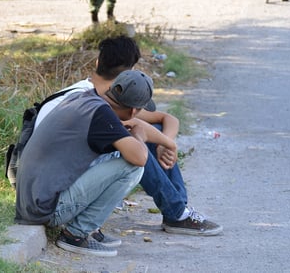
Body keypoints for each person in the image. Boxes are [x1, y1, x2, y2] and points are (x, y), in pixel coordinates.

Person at [35, 36, 223, 241]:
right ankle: (177, 212)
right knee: (134, 148)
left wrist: (164, 142)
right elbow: (137, 151)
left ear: (97, 63)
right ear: (129, 73)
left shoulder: (97, 94)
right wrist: (156, 140)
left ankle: (178, 209)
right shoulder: (93, 103)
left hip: (44, 178)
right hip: (57, 187)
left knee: (150, 131)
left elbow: (167, 119)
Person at [15, 69, 175, 257]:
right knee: (132, 167)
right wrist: (140, 137)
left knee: (116, 152)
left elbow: (135, 126)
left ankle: (86, 228)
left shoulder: (87, 99)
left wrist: (169, 144)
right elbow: (140, 157)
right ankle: (76, 234)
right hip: (45, 208)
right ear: (133, 111)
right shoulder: (102, 116)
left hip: (32, 201)